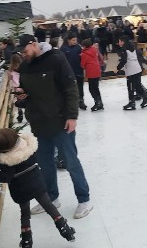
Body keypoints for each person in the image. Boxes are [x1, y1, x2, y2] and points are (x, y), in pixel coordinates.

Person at [14, 34, 93, 219]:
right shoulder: (25, 65)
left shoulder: (56, 58)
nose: (24, 55)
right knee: (45, 163)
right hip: (39, 124)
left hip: (60, 122)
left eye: (25, 51)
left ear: (33, 44)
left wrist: (72, 116)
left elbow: (70, 87)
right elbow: (27, 95)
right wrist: (21, 97)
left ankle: (84, 199)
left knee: (70, 161)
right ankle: (51, 197)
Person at [0, 128, 76, 248]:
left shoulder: (6, 162)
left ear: (4, 150)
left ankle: (26, 240)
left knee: (25, 213)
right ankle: (65, 228)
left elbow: (5, 176)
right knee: (49, 206)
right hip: (37, 185)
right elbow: (5, 156)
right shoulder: (28, 147)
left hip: (21, 190)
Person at [117, 35, 147, 110]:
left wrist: (118, 68)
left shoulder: (124, 49)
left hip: (131, 70)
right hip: (137, 69)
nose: (118, 43)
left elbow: (124, 60)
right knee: (137, 85)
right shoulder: (132, 47)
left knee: (131, 87)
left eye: (120, 41)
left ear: (123, 42)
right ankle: (146, 99)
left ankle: (132, 103)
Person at [59, 33, 87, 110]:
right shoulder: (64, 49)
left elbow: (83, 56)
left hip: (79, 70)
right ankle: (71, 103)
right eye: (73, 40)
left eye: (76, 40)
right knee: (71, 89)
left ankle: (81, 100)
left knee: (80, 87)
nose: (75, 41)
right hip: (69, 73)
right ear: (68, 40)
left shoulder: (78, 47)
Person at [80, 39, 104, 112]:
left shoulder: (84, 54)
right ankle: (100, 102)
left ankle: (97, 102)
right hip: (97, 70)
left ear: (84, 46)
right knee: (96, 87)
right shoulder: (94, 50)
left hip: (91, 72)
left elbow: (82, 65)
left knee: (91, 88)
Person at [9, 53, 25, 123]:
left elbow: (11, 78)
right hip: (23, 86)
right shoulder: (23, 68)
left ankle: (20, 112)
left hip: (16, 88)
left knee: (19, 100)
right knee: (25, 99)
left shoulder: (12, 70)